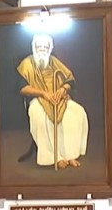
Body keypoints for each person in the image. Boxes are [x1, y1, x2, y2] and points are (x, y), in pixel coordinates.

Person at [17, 33, 88, 169]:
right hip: (38, 99)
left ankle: (70, 155)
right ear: (34, 47)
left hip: (59, 98)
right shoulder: (27, 64)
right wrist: (43, 93)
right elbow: (22, 88)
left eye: (45, 46)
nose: (42, 49)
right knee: (42, 118)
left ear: (49, 48)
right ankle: (54, 158)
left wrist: (62, 89)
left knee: (77, 113)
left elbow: (70, 80)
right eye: (39, 46)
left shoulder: (54, 61)